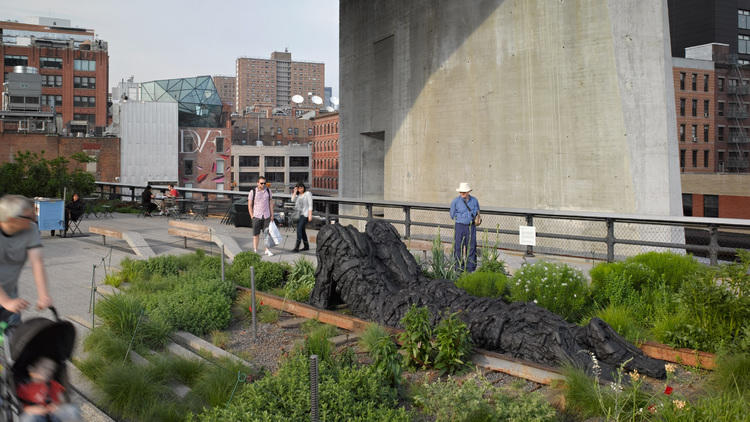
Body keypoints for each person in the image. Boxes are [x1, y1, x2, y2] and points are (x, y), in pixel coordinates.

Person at [0, 195, 53, 326]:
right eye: (29, 217)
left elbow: (37, 262)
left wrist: (43, 295)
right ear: (12, 219)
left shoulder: (31, 229)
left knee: (15, 338)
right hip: (6, 299)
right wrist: (6, 301)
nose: (33, 220)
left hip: (9, 293)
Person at [17, 356, 80, 422]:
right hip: (36, 416)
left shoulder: (53, 385)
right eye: (45, 368)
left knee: (71, 410)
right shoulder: (23, 388)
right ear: (31, 369)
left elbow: (63, 402)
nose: (48, 371)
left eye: (51, 370)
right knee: (27, 418)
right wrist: (31, 410)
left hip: (53, 415)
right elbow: (18, 407)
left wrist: (56, 406)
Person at [449, 182, 480, 273]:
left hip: (471, 226)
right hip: (459, 226)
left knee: (471, 246)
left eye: (464, 191)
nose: (462, 193)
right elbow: (452, 214)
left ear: (468, 192)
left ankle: (470, 268)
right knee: (458, 246)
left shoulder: (474, 200)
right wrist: (461, 218)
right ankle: (458, 267)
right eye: (461, 191)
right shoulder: (455, 201)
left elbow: (477, 211)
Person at [248, 176, 274, 256]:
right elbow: (249, 205)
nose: (263, 185)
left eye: (264, 183)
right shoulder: (253, 192)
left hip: (266, 216)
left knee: (267, 234)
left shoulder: (268, 191)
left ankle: (267, 250)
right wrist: (252, 216)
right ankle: (255, 250)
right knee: (256, 234)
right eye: (261, 183)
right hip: (257, 216)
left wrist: (272, 215)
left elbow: (271, 204)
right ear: (257, 183)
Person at [290, 182, 313, 252]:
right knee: (302, 230)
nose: (300, 189)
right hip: (298, 215)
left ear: (304, 188)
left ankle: (297, 247)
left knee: (299, 229)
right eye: (299, 188)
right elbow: (292, 200)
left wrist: (310, 215)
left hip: (305, 214)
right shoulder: (298, 195)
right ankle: (306, 246)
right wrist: (294, 191)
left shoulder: (307, 194)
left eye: (301, 187)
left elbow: (310, 205)